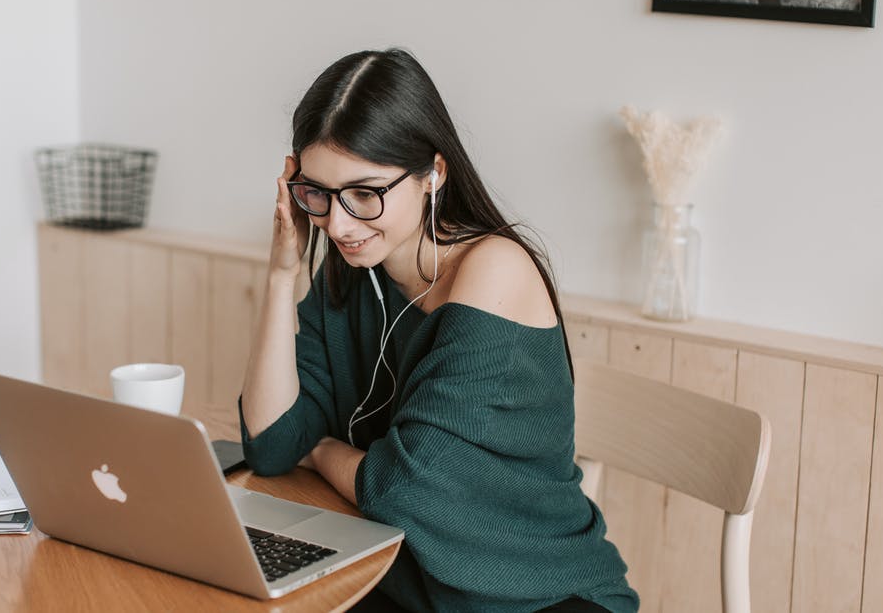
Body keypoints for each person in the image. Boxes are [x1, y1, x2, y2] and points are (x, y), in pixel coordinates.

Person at [239, 48, 638, 613]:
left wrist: (322, 448)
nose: (339, 223)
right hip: (406, 584)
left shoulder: (494, 268)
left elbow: (401, 487)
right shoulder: (355, 270)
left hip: (536, 596)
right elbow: (272, 444)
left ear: (433, 174)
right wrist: (282, 274)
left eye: (365, 192)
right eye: (318, 194)